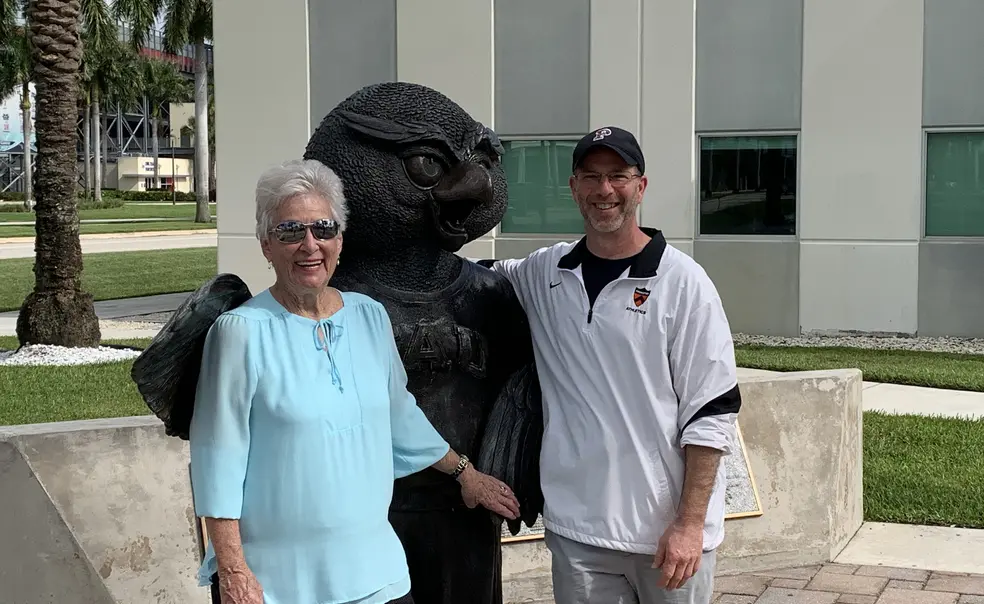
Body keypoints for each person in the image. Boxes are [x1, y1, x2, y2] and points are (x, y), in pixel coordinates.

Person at [188, 158, 521, 604]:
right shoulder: (240, 332)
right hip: (277, 583)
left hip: (375, 572)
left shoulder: (369, 316)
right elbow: (218, 455)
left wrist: (466, 473)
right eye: (291, 231)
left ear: (340, 240)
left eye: (323, 229)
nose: (310, 245)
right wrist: (232, 569)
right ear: (266, 245)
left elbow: (399, 414)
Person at [484, 126, 741, 603]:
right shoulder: (545, 273)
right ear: (574, 187)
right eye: (591, 176)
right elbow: (470, 276)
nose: (605, 190)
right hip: (578, 532)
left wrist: (688, 524)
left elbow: (713, 411)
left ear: (640, 186)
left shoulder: (684, 283)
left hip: (668, 538)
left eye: (618, 176)